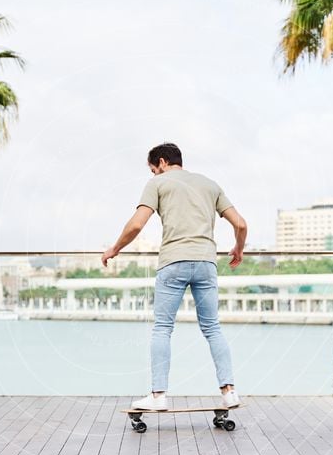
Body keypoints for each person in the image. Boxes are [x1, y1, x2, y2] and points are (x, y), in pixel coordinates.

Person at [101, 142, 248, 411]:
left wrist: (115, 248)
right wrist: (238, 248)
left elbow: (136, 224)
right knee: (212, 327)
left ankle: (158, 397)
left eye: (153, 170)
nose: (154, 175)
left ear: (162, 162)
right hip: (206, 262)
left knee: (162, 328)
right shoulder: (210, 184)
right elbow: (240, 223)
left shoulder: (159, 184)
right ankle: (229, 392)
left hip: (173, 262)